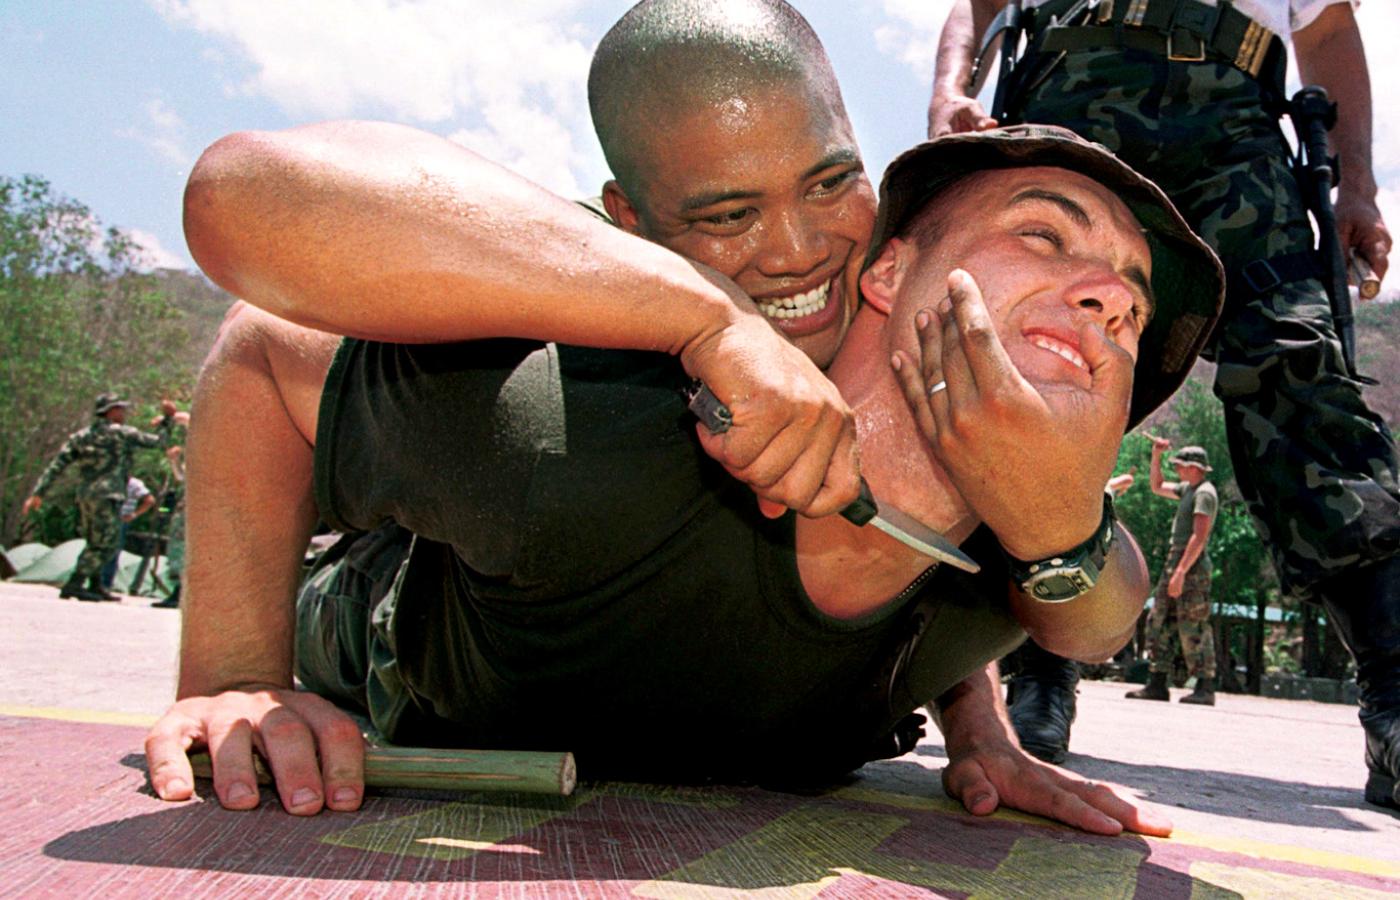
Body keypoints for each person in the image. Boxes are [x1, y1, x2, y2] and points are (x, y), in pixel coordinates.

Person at [144, 1, 1218, 833]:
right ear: (635, 223)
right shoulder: (568, 416)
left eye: (830, 184)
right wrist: (234, 676)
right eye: (1042, 234)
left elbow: (1072, 603)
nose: (796, 252)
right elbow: (257, 319)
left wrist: (977, 723)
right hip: (410, 629)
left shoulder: (1027, 554)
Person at [929, 0, 1400, 806]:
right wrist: (951, 91)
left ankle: (1393, 694)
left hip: (1234, 119)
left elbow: (1326, 31)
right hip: (1072, 87)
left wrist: (1358, 183)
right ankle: (1037, 676)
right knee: (1041, 367)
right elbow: (980, 5)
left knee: (1300, 366)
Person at [22, 393, 178, 602]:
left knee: (95, 540)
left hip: (86, 496)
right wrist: (168, 419)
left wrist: (38, 493)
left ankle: (96, 585)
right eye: (120, 409)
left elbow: (57, 465)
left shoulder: (82, 436)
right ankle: (75, 583)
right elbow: (159, 442)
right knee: (106, 543)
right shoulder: (121, 433)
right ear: (110, 411)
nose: (123, 413)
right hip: (108, 495)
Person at [1127, 441, 1220, 705]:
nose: (1177, 469)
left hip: (1191, 564)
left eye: (1179, 465)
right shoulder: (1188, 489)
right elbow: (1157, 486)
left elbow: (1199, 537)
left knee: (1193, 624)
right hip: (1177, 560)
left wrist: (1180, 572)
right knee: (1160, 620)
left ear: (1194, 467)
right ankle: (1157, 682)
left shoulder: (1205, 493)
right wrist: (1156, 456)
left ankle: (1205, 686)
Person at [99, 476, 156, 594]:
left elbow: (150, 500)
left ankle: (105, 584)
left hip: (119, 519)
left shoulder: (134, 484)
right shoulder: (109, 480)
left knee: (112, 551)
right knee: (101, 549)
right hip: (105, 519)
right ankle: (98, 583)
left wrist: (134, 515)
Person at [151, 446, 186, 609]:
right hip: (183, 513)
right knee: (176, 550)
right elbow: (182, 477)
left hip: (192, 513)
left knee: (180, 551)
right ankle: (178, 591)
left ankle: (180, 592)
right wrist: (174, 461)